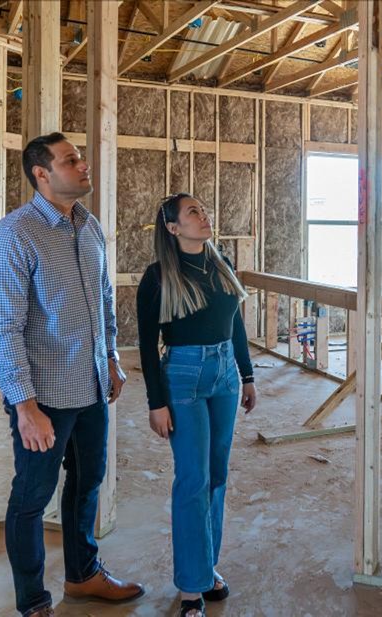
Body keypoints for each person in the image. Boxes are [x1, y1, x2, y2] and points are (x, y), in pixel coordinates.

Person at [0, 132, 145, 617]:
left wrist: (111, 358)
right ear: (41, 174)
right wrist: (25, 407)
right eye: (71, 160)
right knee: (32, 498)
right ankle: (33, 602)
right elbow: (4, 328)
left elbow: (104, 300)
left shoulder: (88, 226)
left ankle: (83, 576)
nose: (84, 164)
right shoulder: (12, 236)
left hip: (91, 385)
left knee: (88, 482)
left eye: (81, 158)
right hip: (44, 396)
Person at [136, 193, 258, 617]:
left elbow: (235, 323)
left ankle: (207, 568)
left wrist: (247, 375)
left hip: (224, 372)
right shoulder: (158, 278)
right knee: (193, 478)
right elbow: (148, 348)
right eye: (193, 212)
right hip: (183, 376)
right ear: (173, 228)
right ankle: (191, 587)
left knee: (217, 475)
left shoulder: (219, 262)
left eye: (204, 209)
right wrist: (156, 403)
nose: (203, 215)